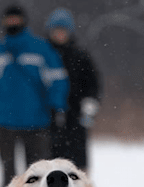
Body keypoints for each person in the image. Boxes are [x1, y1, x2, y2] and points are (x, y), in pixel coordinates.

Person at [0, 5, 69, 187]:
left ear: (24, 21)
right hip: (5, 122)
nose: (12, 23)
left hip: (37, 121)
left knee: (38, 175)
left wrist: (56, 107)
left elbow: (58, 79)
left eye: (16, 19)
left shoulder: (41, 49)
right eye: (8, 19)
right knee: (9, 177)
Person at [45, 8, 101, 172]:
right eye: (56, 30)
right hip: (48, 117)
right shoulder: (43, 54)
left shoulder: (81, 56)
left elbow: (93, 83)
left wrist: (90, 103)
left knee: (78, 165)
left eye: (63, 30)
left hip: (75, 116)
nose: (60, 34)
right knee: (50, 162)